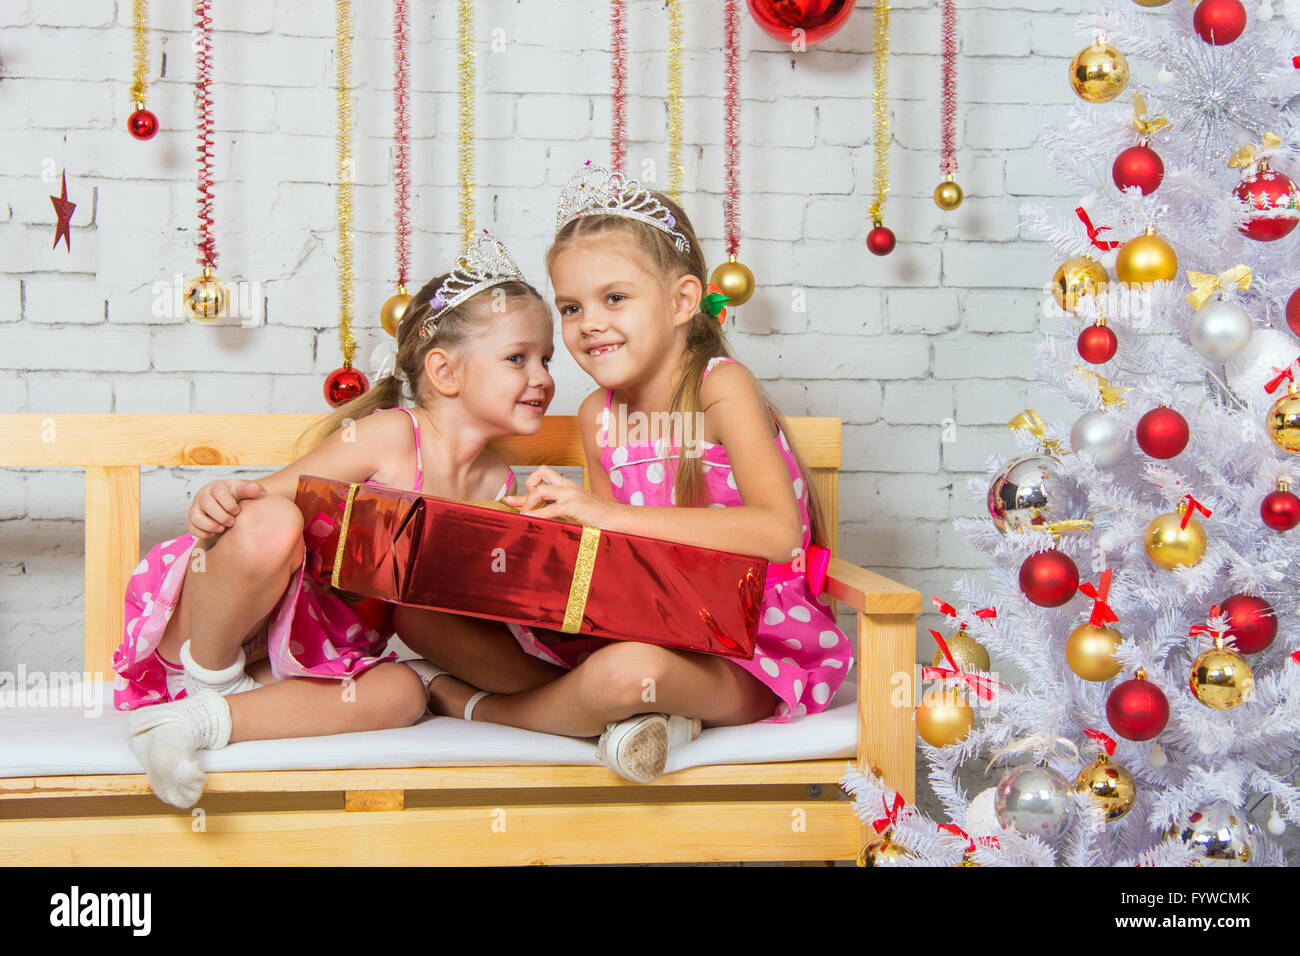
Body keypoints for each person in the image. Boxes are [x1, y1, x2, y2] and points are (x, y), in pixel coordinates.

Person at [397, 165, 852, 783]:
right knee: (421, 617)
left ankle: (482, 707)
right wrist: (543, 536)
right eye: (570, 307)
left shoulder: (721, 388)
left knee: (622, 674)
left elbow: (779, 535)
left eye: (615, 298)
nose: (588, 323)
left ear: (682, 301)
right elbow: (614, 561)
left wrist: (608, 514)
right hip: (651, 624)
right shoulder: (598, 417)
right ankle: (638, 718)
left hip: (748, 648)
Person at [116, 233, 555, 808]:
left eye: (547, 359)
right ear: (445, 372)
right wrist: (216, 497)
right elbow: (262, 497)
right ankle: (208, 682)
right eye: (518, 358)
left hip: (308, 656)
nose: (542, 376)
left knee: (401, 692)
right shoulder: (393, 435)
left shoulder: (498, 485)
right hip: (221, 625)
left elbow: (451, 604)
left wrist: (534, 542)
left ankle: (191, 723)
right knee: (273, 521)